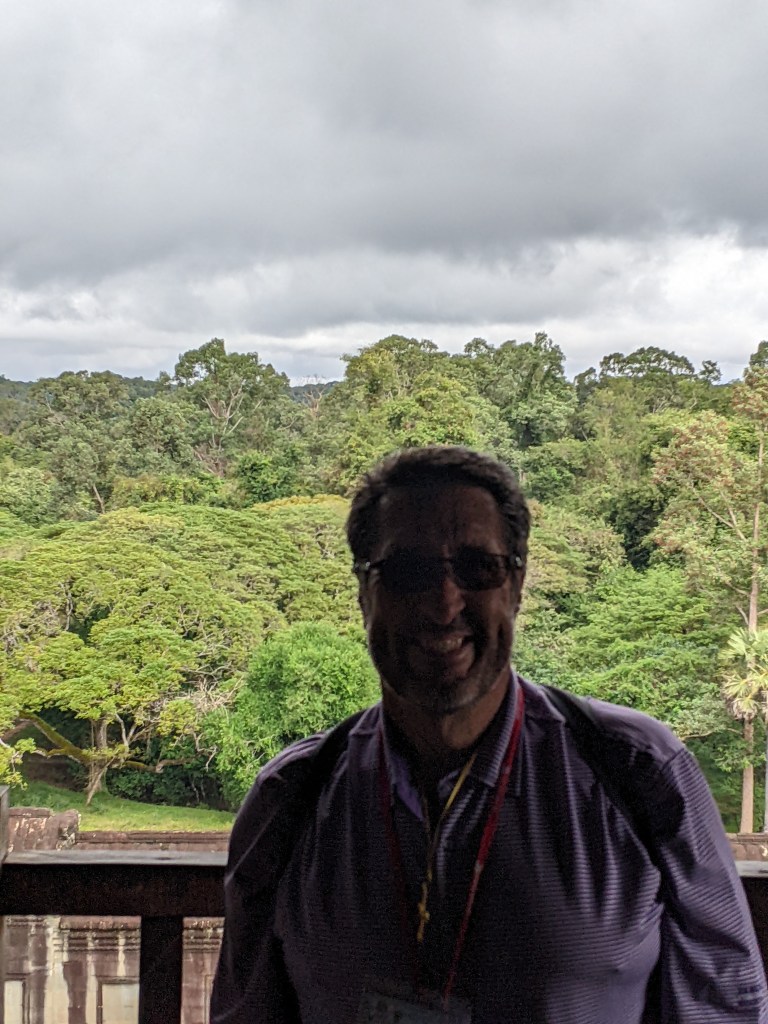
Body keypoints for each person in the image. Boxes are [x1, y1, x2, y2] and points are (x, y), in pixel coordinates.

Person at [210, 445, 768, 1023]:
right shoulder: (290, 800)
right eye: (408, 570)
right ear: (363, 591)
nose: (444, 603)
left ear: (516, 586)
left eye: (478, 568)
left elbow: (724, 1007)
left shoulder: (640, 774)